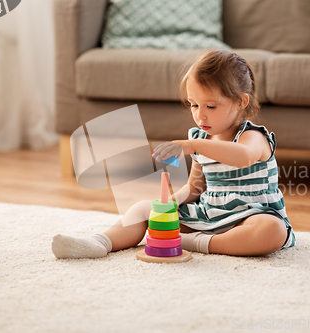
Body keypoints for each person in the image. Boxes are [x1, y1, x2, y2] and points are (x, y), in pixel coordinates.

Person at [52, 50, 296, 259]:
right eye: (194, 104)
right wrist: (172, 201)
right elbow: (195, 188)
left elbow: (244, 156)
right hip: (209, 216)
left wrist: (192, 146)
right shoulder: (200, 138)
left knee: (272, 230)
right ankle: (100, 243)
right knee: (143, 208)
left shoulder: (253, 136)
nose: (200, 115)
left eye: (210, 106)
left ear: (241, 102)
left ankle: (190, 243)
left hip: (249, 218)